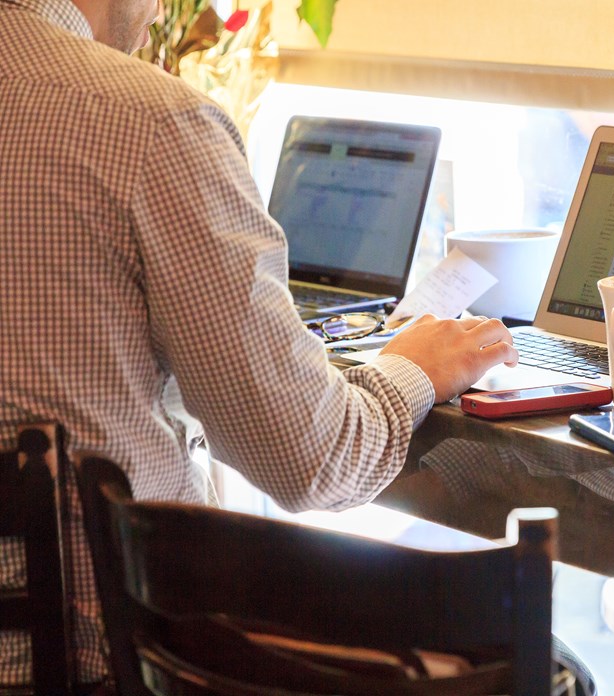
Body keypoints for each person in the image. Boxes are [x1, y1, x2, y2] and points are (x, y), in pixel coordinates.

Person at [0, 0, 517, 687]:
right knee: (522, 654)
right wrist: (412, 369)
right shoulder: (146, 120)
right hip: (104, 667)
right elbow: (308, 459)